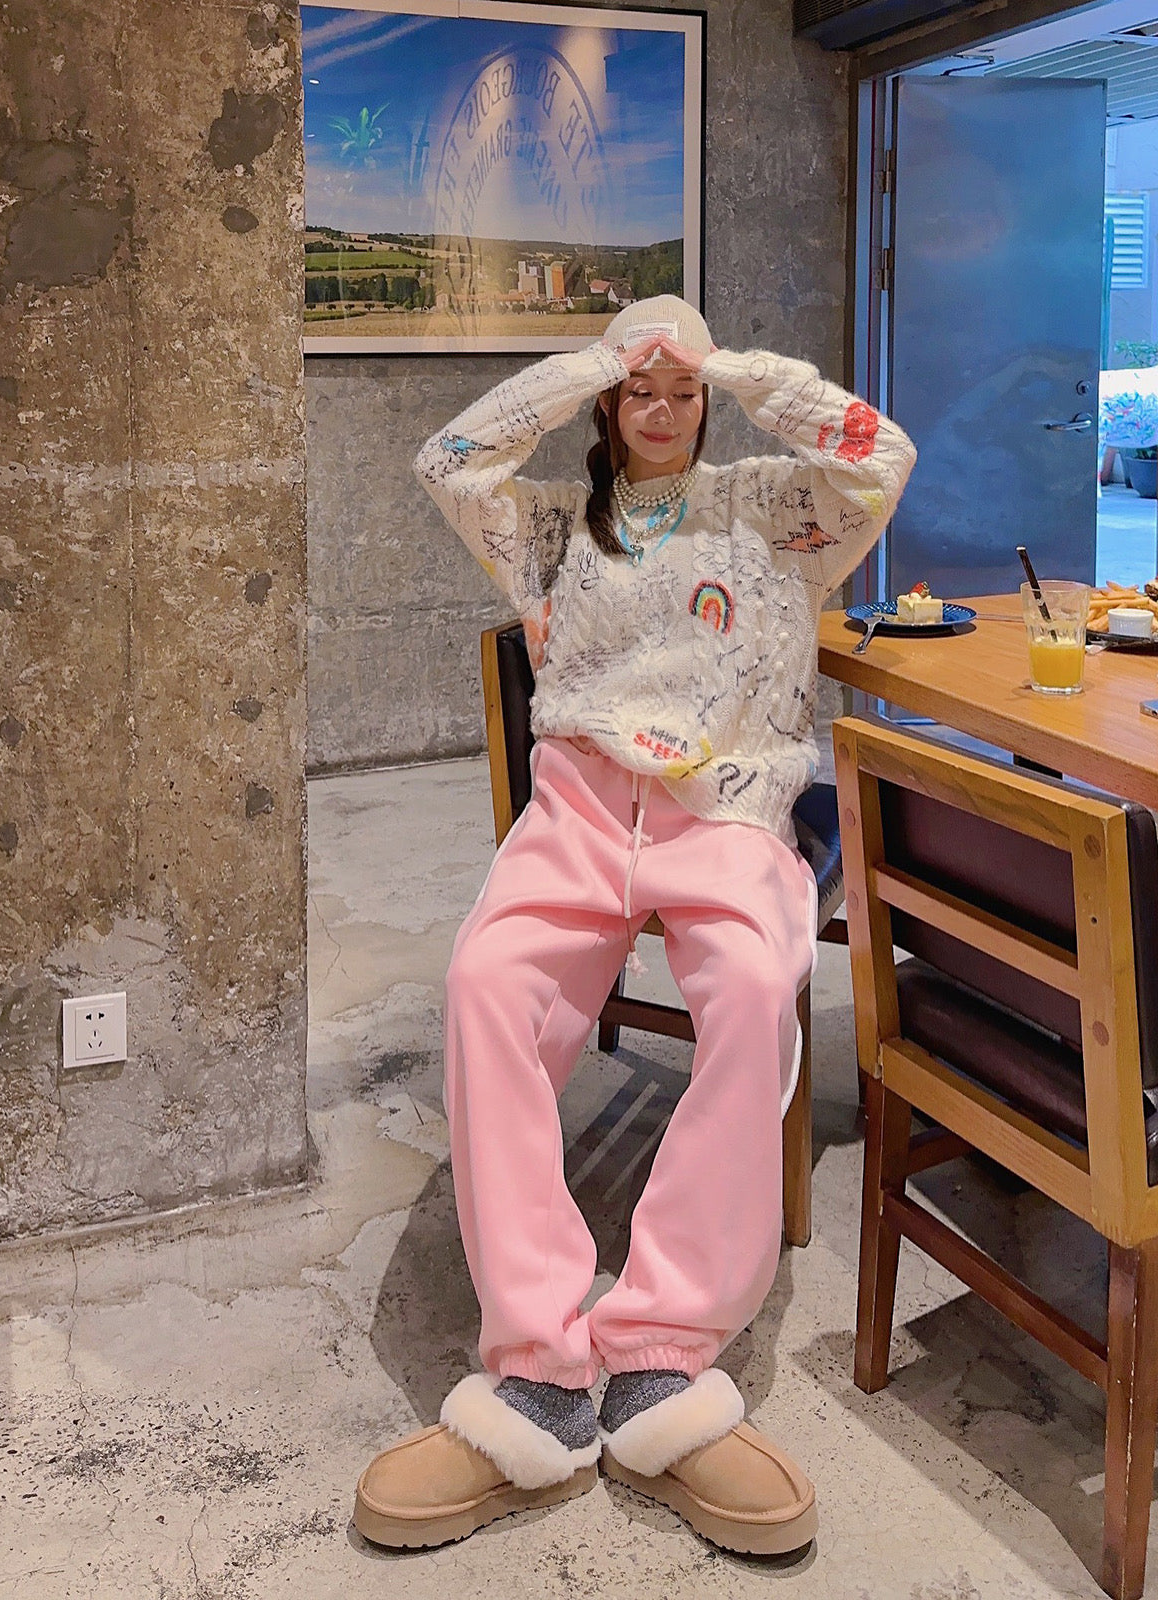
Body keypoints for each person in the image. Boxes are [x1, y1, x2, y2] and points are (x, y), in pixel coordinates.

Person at [352, 295, 916, 1555]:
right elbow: (449, 460)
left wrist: (739, 365)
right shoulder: (555, 525)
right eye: (640, 392)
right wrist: (590, 362)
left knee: (758, 989)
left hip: (726, 808)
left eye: (682, 392)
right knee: (487, 984)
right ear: (610, 404)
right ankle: (537, 1374)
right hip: (580, 806)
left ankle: (663, 1354)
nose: (663, 412)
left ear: (708, 400)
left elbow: (881, 456)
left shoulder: (770, 507)